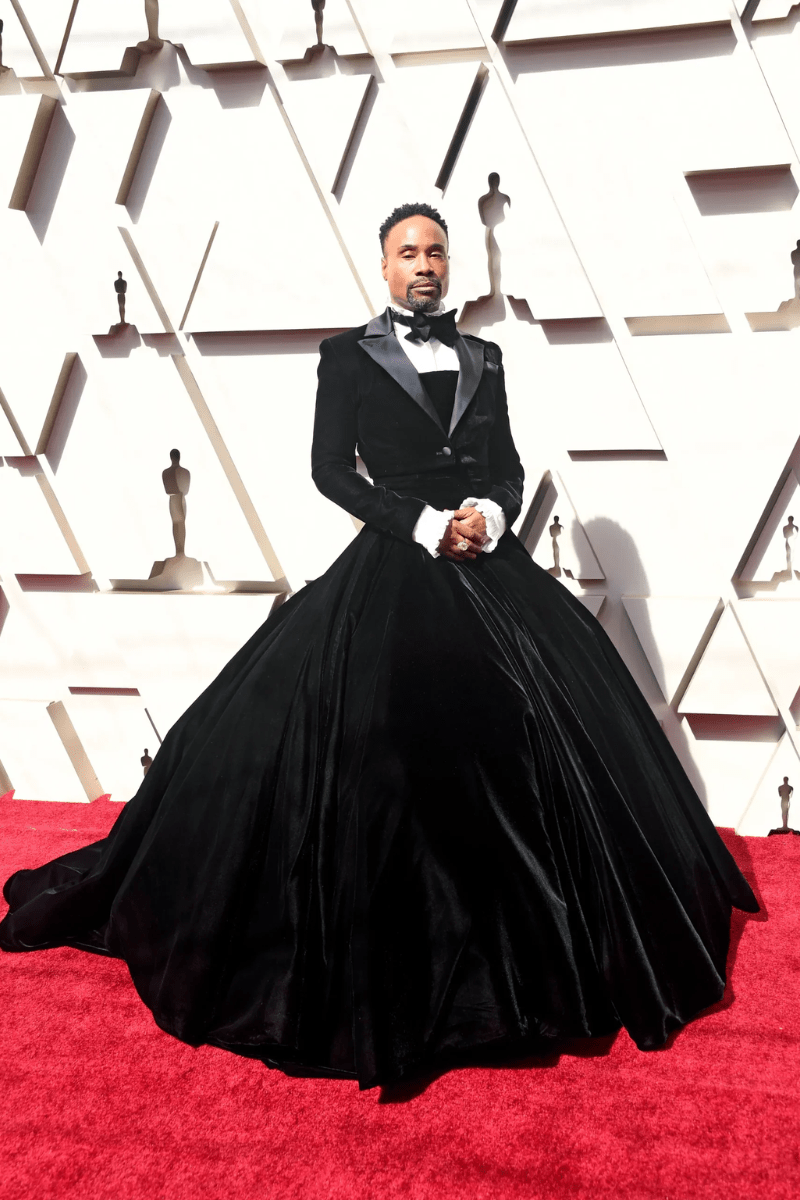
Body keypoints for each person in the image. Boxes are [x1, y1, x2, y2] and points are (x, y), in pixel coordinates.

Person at [0, 202, 757, 1092]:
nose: (425, 263)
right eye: (409, 252)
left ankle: (549, 966)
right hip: (397, 561)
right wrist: (425, 523)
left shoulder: (488, 357)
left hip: (493, 560)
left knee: (552, 735)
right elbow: (330, 470)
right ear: (384, 267)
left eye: (437, 250)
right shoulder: (347, 357)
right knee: (388, 744)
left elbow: (505, 464)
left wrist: (493, 513)